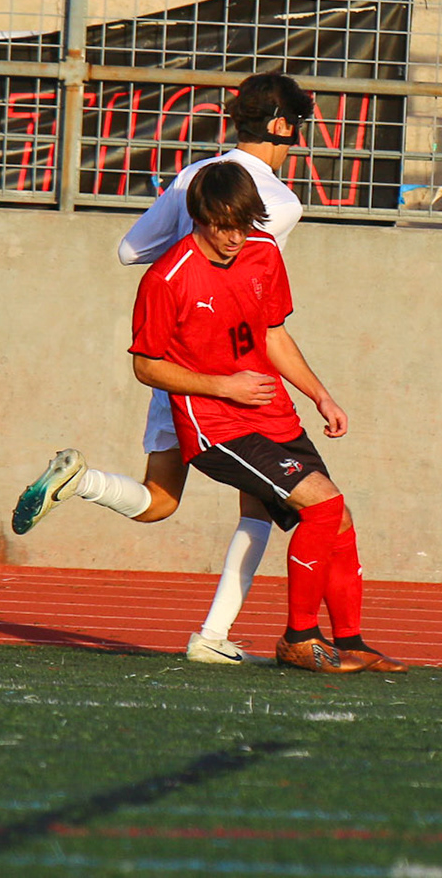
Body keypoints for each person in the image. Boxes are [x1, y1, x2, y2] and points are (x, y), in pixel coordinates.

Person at [12, 74, 315, 667]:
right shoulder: (280, 203)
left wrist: (179, 248)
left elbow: (131, 250)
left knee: (160, 499)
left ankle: (83, 482)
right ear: (281, 125)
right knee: (263, 504)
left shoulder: (192, 177)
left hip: (173, 365)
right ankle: (213, 635)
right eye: (297, 125)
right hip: (228, 372)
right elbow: (248, 277)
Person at [133, 161, 403, 674]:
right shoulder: (167, 277)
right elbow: (146, 366)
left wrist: (321, 396)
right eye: (223, 226)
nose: (235, 237)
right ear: (199, 217)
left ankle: (351, 643)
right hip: (215, 427)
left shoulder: (263, 253)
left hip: (271, 413)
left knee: (338, 519)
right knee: (323, 505)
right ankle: (299, 639)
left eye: (243, 224)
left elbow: (273, 335)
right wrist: (223, 385)